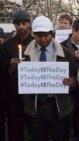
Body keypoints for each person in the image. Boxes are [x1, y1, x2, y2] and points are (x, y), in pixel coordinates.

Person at [22, 16, 78, 141]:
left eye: (46, 35)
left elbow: (76, 77)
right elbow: (19, 81)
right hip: (35, 107)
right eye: (39, 36)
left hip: (59, 106)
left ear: (52, 34)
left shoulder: (66, 53)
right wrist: (15, 68)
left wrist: (72, 82)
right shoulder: (25, 54)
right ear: (33, 34)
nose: (42, 39)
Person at [0, 10, 34, 141]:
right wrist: (10, 65)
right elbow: (1, 69)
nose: (21, 27)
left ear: (29, 25)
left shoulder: (36, 43)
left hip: (32, 96)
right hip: (13, 97)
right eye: (18, 24)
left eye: (24, 23)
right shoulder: (6, 46)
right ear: (14, 25)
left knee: (35, 129)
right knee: (15, 129)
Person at [61, 18, 79, 141]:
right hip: (69, 93)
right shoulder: (62, 46)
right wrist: (74, 58)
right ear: (73, 30)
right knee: (66, 125)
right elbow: (59, 68)